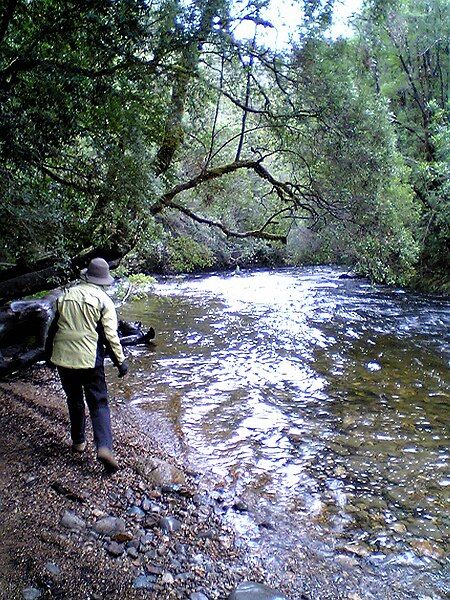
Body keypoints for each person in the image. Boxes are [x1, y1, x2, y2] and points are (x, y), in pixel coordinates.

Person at [46, 257, 128, 473]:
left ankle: (78, 442)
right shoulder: (104, 301)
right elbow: (111, 336)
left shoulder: (65, 296)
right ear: (103, 280)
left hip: (63, 358)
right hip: (90, 360)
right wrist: (121, 362)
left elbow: (53, 329)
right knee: (99, 402)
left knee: (74, 399)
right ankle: (104, 447)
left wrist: (48, 356)